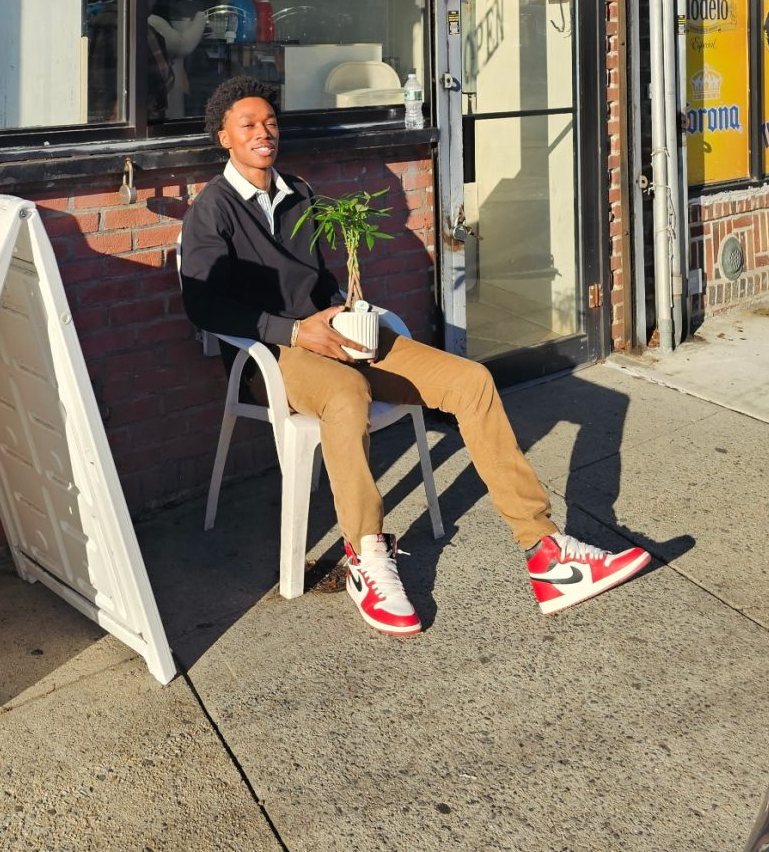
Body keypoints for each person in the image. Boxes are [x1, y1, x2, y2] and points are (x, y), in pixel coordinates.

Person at [179, 75, 651, 636]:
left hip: (335, 334)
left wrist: (347, 309)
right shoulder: (212, 209)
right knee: (347, 393)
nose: (264, 132)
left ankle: (546, 553)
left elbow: (319, 280)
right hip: (273, 354)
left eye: (270, 122)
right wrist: (295, 331)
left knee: (471, 381)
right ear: (223, 137)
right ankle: (366, 554)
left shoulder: (299, 192)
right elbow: (203, 305)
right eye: (248, 125)